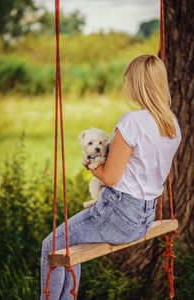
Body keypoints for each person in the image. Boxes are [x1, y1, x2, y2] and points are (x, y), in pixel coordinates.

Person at [40, 54, 182, 299]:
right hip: (145, 218)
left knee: (51, 245)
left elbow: (111, 177)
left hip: (118, 215)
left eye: (128, 81)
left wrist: (91, 164)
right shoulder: (171, 123)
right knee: (68, 247)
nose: (126, 86)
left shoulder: (132, 122)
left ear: (137, 84)